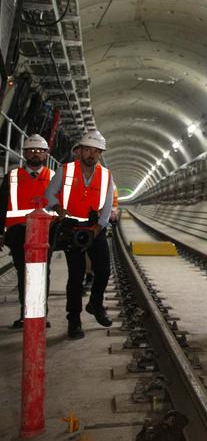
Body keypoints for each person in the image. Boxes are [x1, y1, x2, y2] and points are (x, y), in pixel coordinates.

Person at [45, 130, 114, 340]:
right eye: (87, 150)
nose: (91, 154)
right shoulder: (64, 170)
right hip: (71, 228)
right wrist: (58, 209)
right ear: (79, 152)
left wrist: (97, 229)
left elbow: (108, 206)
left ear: (100, 154)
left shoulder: (106, 176)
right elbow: (49, 196)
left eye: (96, 151)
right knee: (75, 277)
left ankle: (95, 303)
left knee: (103, 271)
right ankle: (74, 319)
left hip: (94, 228)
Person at [0, 134, 53, 328]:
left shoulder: (53, 177)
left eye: (40, 151)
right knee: (24, 274)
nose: (35, 154)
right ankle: (26, 314)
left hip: (43, 234)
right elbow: (2, 206)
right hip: (17, 233)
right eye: (31, 150)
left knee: (41, 274)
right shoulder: (12, 176)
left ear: (46, 154)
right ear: (25, 154)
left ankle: (40, 315)